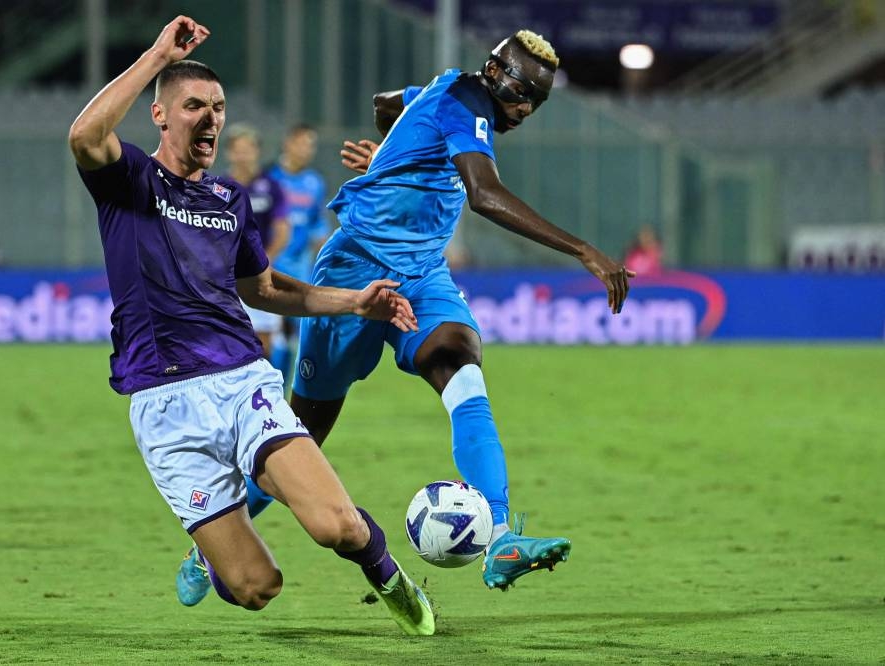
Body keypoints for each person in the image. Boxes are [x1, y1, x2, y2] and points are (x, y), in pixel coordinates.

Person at [67, 16, 433, 635]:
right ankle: (213, 555)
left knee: (336, 527)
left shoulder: (229, 200)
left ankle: (389, 576)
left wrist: (355, 302)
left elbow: (265, 289)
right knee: (256, 587)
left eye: (218, 107)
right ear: (160, 116)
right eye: (193, 106)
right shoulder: (130, 181)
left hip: (241, 383)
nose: (210, 118)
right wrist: (157, 56)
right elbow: (84, 134)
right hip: (163, 407)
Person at [248, 30, 636, 591]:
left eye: (537, 100)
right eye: (522, 93)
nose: (525, 109)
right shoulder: (466, 101)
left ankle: (500, 538)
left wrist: (393, 157)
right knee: (304, 433)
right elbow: (484, 194)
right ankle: (217, 540)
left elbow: (388, 105)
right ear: (496, 76)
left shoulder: (448, 90)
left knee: (462, 364)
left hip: (423, 273)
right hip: (355, 269)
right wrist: (582, 250)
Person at [265, 124, 330, 386]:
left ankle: (290, 391)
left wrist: (322, 255)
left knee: (299, 335)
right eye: (302, 143)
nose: (307, 150)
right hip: (271, 265)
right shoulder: (270, 179)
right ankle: (270, 390)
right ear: (288, 143)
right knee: (272, 333)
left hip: (301, 268)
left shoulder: (315, 183)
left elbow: (318, 224)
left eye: (311, 145)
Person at [223, 123, 290, 358]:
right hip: (226, 277)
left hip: (261, 276)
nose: (243, 155)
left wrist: (265, 260)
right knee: (229, 341)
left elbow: (282, 229)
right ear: (229, 153)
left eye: (247, 149)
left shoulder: (271, 187)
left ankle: (267, 380)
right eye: (238, 150)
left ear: (257, 152)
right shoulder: (218, 188)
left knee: (264, 344)